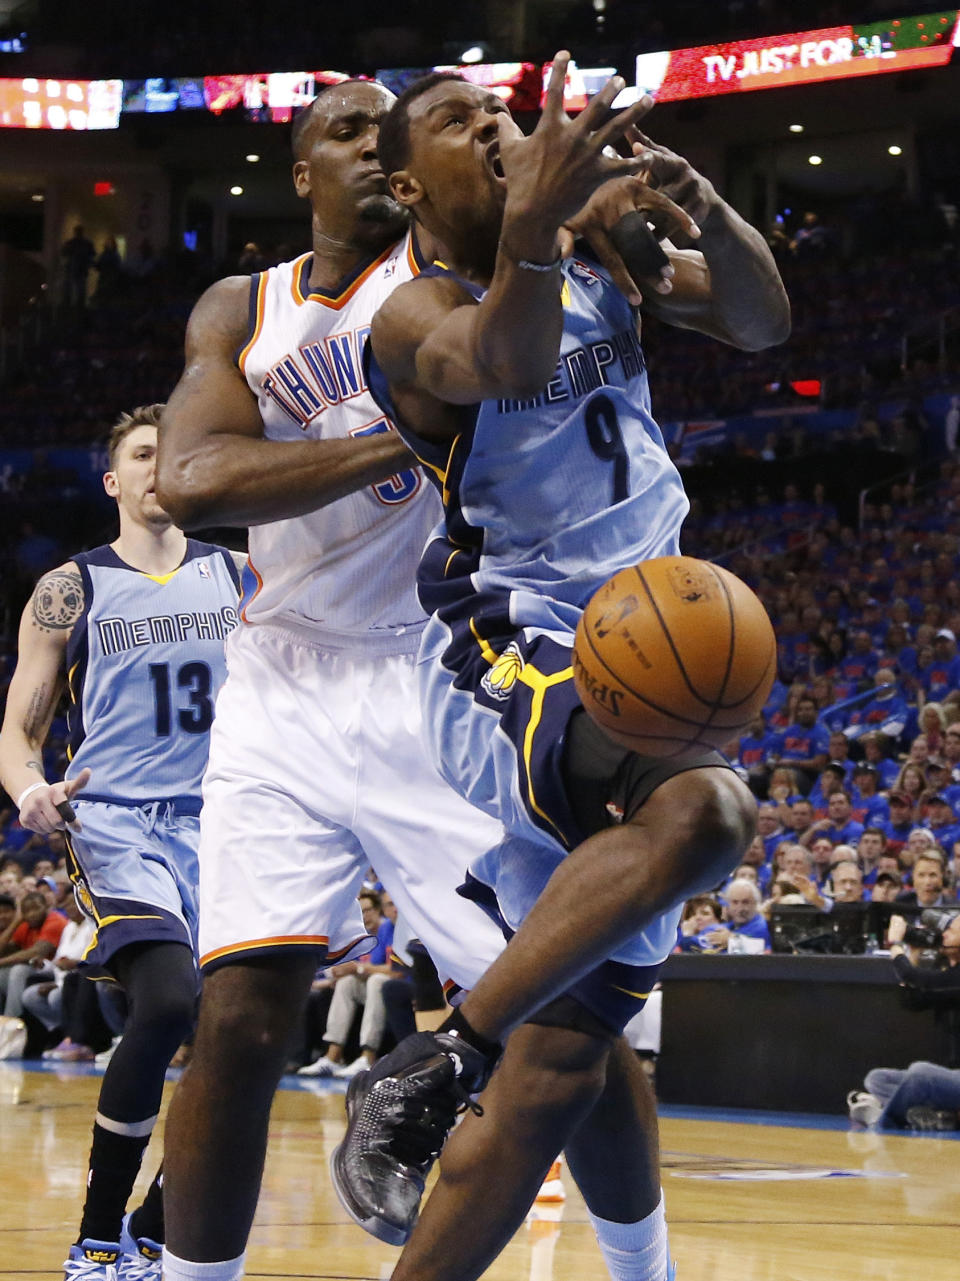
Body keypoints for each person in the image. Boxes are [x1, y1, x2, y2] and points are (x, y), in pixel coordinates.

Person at [331, 57, 786, 1276]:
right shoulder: (407, 314)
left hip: (645, 646)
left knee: (572, 1058)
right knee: (706, 809)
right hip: (511, 656)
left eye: (498, 113)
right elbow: (512, 362)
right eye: (454, 122)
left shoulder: (597, 250)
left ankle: (482, 1101)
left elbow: (760, 322)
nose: (490, 128)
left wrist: (708, 207)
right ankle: (439, 1054)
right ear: (402, 183)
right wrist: (539, 221)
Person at [154, 78, 509, 1281]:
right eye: (345, 132)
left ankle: (642, 1258)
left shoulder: (444, 280)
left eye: (387, 134)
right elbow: (192, 485)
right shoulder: (238, 308)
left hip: (434, 671)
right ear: (301, 171)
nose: (372, 147)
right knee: (242, 1015)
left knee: (551, 1011)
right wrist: (397, 437)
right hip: (283, 680)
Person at [0, 403, 243, 1280]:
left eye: (173, 454)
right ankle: (97, 1237)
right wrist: (30, 789)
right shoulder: (72, 587)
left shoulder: (243, 575)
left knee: (243, 1034)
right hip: (116, 823)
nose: (158, 467)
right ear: (114, 480)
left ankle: (155, 1222)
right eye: (142, 454)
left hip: (226, 822)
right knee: (171, 997)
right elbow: (17, 727)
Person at [0, 887, 66, 1016]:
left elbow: (36, 952)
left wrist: (1, 961)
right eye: (27, 911)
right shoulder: (26, 925)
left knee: (19, 970)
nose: (31, 914)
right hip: (38, 969)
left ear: (46, 906)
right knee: (3, 973)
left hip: (57, 970)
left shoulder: (55, 921)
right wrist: (16, 921)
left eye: (36, 908)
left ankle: (12, 1019)